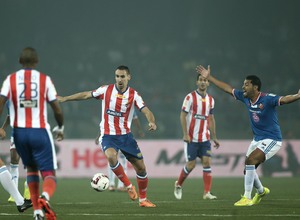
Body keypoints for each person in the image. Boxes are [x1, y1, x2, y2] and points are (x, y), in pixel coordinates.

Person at [196, 65, 300, 206]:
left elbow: (285, 99)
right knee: (248, 168)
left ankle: (247, 197)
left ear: (255, 87)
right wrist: (210, 78)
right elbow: (227, 88)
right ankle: (262, 191)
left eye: (246, 85)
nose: (243, 87)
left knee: (250, 161)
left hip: (272, 139)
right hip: (257, 139)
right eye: (243, 84)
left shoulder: (267, 99)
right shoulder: (245, 98)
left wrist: (298, 96)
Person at [59, 65, 157, 208]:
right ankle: (129, 186)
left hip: (126, 136)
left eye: (122, 76)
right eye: (117, 76)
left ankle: (143, 200)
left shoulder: (133, 94)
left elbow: (146, 110)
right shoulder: (106, 90)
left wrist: (152, 121)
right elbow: (86, 95)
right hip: (108, 135)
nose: (119, 79)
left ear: (129, 77)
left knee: (141, 169)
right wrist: (65, 98)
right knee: (111, 156)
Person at [0, 47, 64, 220]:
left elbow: (1, 103)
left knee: (31, 170)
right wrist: (61, 127)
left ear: (20, 62)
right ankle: (45, 197)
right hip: (40, 130)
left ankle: (36, 212)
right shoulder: (44, 80)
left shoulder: (10, 80)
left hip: (19, 133)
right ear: (36, 62)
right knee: (49, 172)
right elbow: (56, 108)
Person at [174, 73, 220, 200]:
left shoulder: (211, 100)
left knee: (207, 162)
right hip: (191, 138)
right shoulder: (190, 97)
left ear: (208, 83)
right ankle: (178, 184)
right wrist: (185, 134)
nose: (203, 82)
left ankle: (207, 193)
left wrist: (214, 137)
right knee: (191, 165)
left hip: (205, 138)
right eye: (200, 80)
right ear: (197, 82)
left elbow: (211, 118)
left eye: (205, 80)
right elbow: (182, 115)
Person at [95, 110, 145, 192]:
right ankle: (118, 185)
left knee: (114, 161)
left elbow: (103, 125)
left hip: (118, 138)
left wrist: (98, 136)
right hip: (120, 138)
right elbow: (135, 119)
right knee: (120, 161)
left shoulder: (111, 108)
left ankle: (113, 184)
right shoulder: (128, 106)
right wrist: (139, 130)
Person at [0, 101, 30, 203]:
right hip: (17, 132)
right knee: (14, 158)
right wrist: (3, 128)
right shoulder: (9, 100)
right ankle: (14, 193)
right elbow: (10, 115)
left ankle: (28, 188)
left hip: (32, 130)